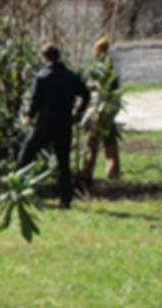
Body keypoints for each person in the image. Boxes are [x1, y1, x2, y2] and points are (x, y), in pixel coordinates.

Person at [17, 43, 91, 209]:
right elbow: (86, 94)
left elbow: (36, 100)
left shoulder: (42, 76)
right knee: (63, 162)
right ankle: (66, 199)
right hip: (64, 123)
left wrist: (29, 115)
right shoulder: (71, 76)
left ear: (44, 58)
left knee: (27, 153)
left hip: (45, 123)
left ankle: (16, 187)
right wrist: (78, 111)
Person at [81, 38, 122, 183]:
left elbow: (104, 83)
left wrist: (89, 86)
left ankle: (86, 172)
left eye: (96, 50)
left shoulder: (107, 64)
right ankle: (113, 171)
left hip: (104, 104)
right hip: (112, 104)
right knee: (109, 137)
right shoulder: (114, 61)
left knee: (93, 138)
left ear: (101, 50)